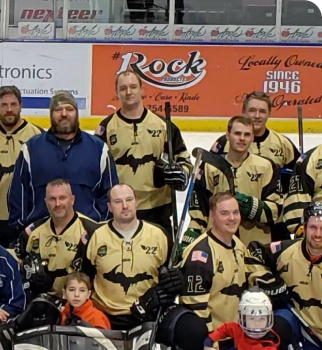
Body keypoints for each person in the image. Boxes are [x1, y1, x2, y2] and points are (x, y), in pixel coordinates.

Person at [161, 192, 248, 350]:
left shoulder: (238, 245)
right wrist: (212, 342)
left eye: (235, 213)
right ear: (212, 216)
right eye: (225, 213)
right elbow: (196, 305)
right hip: (209, 335)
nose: (232, 218)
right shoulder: (202, 253)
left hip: (230, 333)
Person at [95, 70, 192, 236]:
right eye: (123, 88)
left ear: (142, 89)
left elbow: (184, 160)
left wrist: (182, 173)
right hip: (120, 210)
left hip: (157, 210)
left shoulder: (164, 126)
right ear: (117, 92)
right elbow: (96, 168)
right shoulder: (106, 127)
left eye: (133, 87)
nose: (129, 92)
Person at [246, 202, 322, 350]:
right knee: (274, 326)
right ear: (304, 227)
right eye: (313, 227)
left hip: (317, 334)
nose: (317, 234)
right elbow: (252, 253)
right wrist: (269, 281)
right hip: (295, 317)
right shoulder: (287, 250)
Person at [74, 184, 178, 332]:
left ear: (136, 202)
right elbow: (83, 277)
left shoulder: (159, 235)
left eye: (129, 200)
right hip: (104, 316)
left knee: (188, 328)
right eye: (118, 202)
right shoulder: (94, 236)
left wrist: (170, 286)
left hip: (147, 315)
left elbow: (171, 278)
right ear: (109, 206)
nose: (125, 206)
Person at [9, 91, 117, 228]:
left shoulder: (98, 148)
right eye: (58, 109)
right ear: (51, 114)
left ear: (77, 113)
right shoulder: (31, 148)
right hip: (42, 236)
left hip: (87, 234)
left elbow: (110, 192)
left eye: (69, 109)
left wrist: (100, 226)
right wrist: (21, 228)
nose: (64, 114)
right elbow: (19, 193)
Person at [183, 115, 281, 251]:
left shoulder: (266, 166)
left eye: (247, 135)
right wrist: (191, 236)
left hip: (255, 247)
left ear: (253, 138)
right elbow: (199, 210)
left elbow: (277, 209)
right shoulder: (209, 166)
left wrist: (253, 207)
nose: (242, 138)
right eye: (237, 133)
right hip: (216, 246)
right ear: (227, 136)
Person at [211, 91, 302, 237]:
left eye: (262, 111)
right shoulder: (224, 143)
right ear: (243, 112)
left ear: (269, 114)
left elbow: (297, 182)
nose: (257, 116)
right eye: (252, 110)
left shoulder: (283, 144)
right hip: (232, 221)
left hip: (274, 221)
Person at [0, 86, 42, 247]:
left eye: (13, 104)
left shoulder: (37, 136)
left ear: (21, 105)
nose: (9, 110)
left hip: (25, 218)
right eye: (4, 105)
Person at [20, 179, 101, 299]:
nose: (57, 204)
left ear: (72, 200)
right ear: (46, 202)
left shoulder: (92, 231)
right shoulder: (32, 231)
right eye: (52, 199)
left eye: (62, 198)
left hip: (77, 302)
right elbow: (13, 260)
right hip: (39, 300)